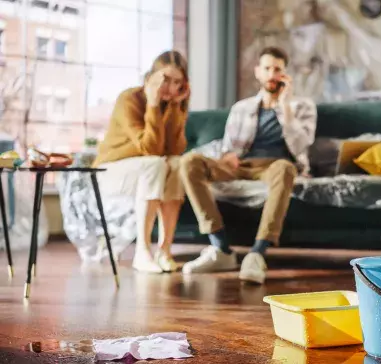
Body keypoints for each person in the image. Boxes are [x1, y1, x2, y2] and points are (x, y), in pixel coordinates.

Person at [179, 46, 317, 284]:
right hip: (240, 165)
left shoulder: (302, 107)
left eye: (278, 69)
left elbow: (302, 144)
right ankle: (221, 248)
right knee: (190, 161)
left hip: (276, 166)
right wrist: (227, 157)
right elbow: (228, 148)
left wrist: (284, 106)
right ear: (258, 72)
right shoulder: (241, 108)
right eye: (267, 68)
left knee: (286, 168)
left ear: (285, 74)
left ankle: (257, 253)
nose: (272, 74)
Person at [93, 50, 190, 274]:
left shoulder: (172, 104)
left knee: (177, 164)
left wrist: (175, 107)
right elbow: (150, 149)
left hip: (145, 169)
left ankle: (164, 250)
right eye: (165, 79)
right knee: (155, 163)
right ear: (150, 77)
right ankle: (142, 252)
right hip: (110, 172)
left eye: (177, 82)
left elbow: (175, 150)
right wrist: (153, 105)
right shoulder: (129, 99)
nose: (170, 87)